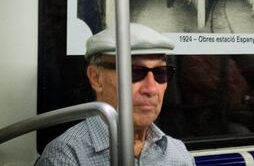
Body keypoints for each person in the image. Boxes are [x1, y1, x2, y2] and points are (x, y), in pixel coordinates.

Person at [36, 23, 195, 165]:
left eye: (160, 73)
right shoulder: (66, 157)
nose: (151, 89)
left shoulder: (179, 155)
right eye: (134, 72)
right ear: (96, 78)